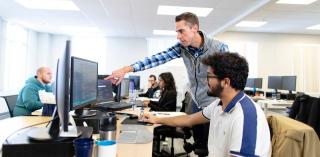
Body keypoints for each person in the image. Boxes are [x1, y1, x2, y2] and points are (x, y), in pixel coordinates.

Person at [106, 12, 229, 153]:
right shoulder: (182, 48)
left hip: (214, 103)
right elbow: (156, 58)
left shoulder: (218, 48)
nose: (178, 36)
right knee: (200, 147)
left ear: (194, 28)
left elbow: (228, 79)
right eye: (177, 32)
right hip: (197, 102)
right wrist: (126, 69)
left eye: (181, 31)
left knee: (214, 148)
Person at [142, 53, 271, 157]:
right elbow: (189, 119)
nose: (205, 81)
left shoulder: (246, 116)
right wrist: (156, 119)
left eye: (209, 76)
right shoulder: (218, 104)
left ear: (225, 82)